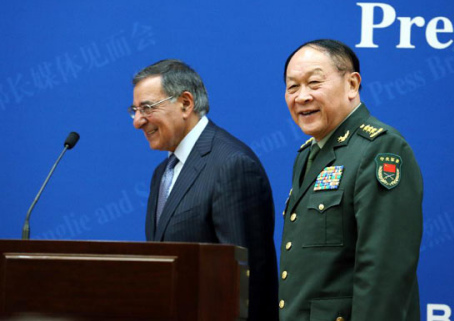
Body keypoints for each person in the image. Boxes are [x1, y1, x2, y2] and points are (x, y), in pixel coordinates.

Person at [279, 39, 423, 321]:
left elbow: (385, 271)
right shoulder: (307, 154)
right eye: (292, 86)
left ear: (352, 85)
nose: (302, 96)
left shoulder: (381, 149)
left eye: (314, 83)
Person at [129, 59, 278, 320]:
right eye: (134, 110)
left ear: (186, 103)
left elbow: (247, 285)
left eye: (147, 108)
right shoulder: (162, 173)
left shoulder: (232, 165)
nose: (138, 121)